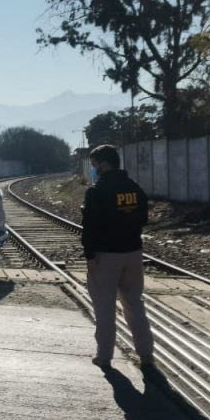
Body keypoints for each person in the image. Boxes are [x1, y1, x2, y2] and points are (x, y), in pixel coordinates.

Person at [82, 144, 155, 369]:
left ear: (103, 165)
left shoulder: (97, 192)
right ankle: (146, 355)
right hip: (133, 254)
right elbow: (143, 218)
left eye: (94, 166)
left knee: (104, 308)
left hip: (106, 257)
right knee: (135, 304)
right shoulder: (134, 188)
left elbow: (90, 228)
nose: (94, 170)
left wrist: (90, 256)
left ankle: (104, 356)